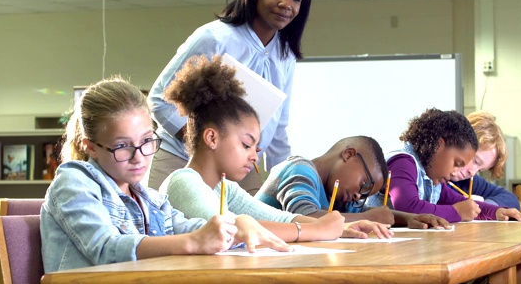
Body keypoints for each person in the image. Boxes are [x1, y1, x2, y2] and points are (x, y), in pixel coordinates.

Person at [40, 77, 292, 273]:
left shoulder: (146, 196)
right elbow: (106, 248)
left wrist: (234, 227)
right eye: (122, 146)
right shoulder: (74, 181)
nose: (139, 157)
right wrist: (193, 242)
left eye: (147, 141)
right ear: (90, 146)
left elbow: (183, 227)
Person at [160, 55, 393, 242]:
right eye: (246, 144)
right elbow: (231, 230)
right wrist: (316, 231)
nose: (254, 157)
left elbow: (280, 217)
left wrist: (344, 226)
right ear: (212, 138)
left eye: (256, 147)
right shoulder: (182, 181)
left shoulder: (224, 188)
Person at [147, 0, 312, 190]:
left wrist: (288, 184)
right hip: (181, 160)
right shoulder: (215, 38)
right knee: (177, 227)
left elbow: (277, 131)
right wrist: (208, 148)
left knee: (262, 224)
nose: (286, 4)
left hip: (240, 168)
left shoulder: (285, 54)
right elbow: (160, 100)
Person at [255, 135, 452, 229]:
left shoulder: (338, 194)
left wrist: (408, 218)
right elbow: (304, 216)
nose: (359, 195)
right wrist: (370, 218)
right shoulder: (298, 169)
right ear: (349, 155)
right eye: (364, 184)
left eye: (366, 194)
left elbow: (365, 213)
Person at [384, 108, 521, 223]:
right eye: (457, 164)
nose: (456, 172)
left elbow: (462, 202)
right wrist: (456, 213)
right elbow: (408, 207)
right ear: (437, 146)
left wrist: (496, 212)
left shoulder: (435, 181)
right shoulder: (403, 162)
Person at [448, 111, 520, 210]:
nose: (472, 172)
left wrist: (483, 206)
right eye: (476, 161)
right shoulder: (427, 174)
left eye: (480, 170)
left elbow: (511, 199)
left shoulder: (467, 181)